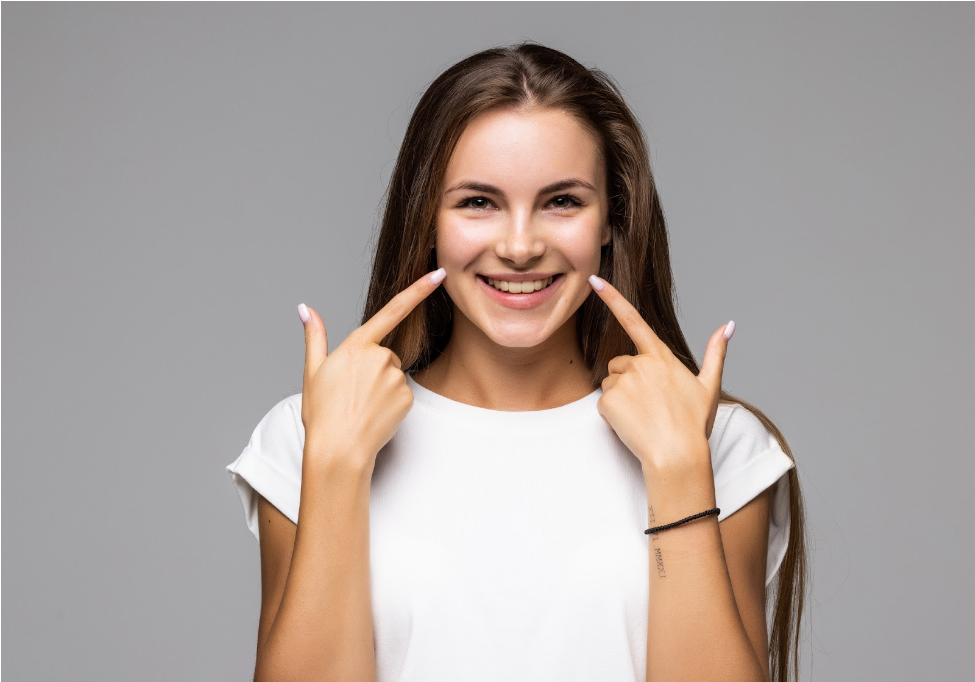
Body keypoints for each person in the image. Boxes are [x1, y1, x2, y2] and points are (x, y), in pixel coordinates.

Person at [226, 41, 808, 682]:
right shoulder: (307, 436)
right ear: (427, 221)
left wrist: (678, 468)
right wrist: (336, 463)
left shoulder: (719, 444)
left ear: (610, 221)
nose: (521, 246)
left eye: (563, 201)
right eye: (478, 202)